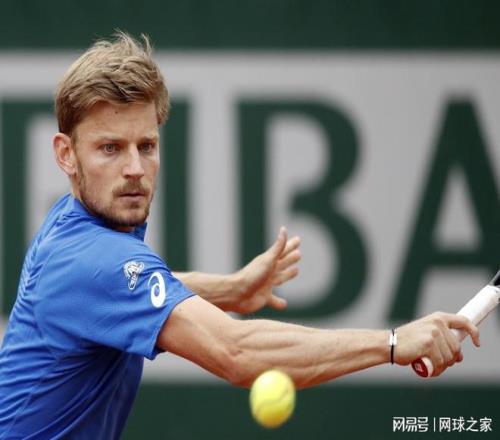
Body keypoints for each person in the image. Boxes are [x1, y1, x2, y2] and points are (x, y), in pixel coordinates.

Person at [0, 32, 480, 439]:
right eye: (110, 148)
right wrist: (393, 342)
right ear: (65, 154)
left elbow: (134, 289)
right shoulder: (95, 258)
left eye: (146, 146)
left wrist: (230, 289)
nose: (134, 168)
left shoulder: (71, 227)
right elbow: (237, 352)